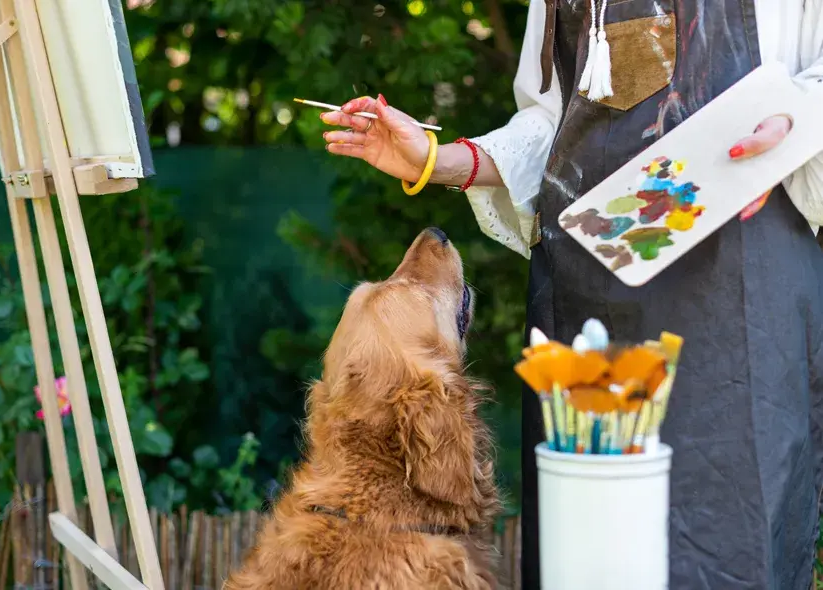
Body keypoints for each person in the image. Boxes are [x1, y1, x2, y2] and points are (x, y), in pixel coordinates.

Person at [321, 1, 823, 589]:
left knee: (733, 547)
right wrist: (435, 160)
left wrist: (796, 120)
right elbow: (553, 128)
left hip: (744, 298)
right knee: (587, 554)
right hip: (588, 304)